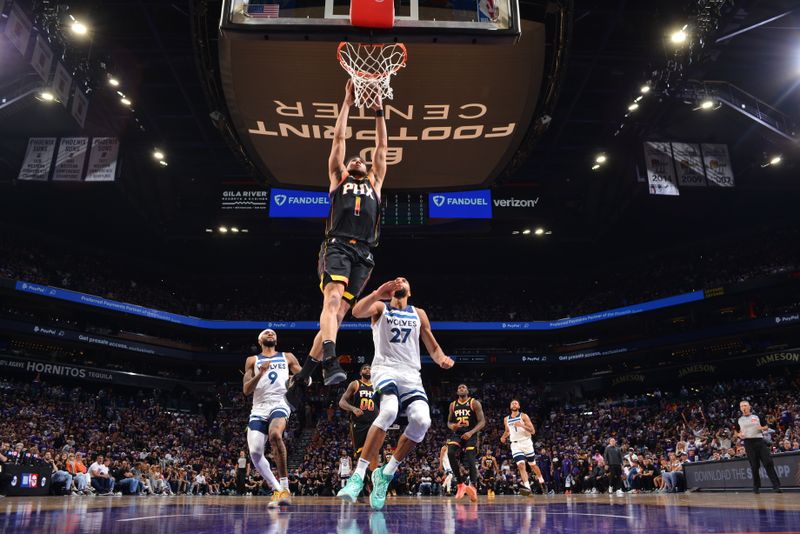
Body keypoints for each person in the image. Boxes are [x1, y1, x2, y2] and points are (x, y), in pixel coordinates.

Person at [286, 79, 390, 408]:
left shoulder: (375, 181)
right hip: (338, 246)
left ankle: (303, 377)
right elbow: (339, 139)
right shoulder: (338, 177)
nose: (357, 159)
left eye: (361, 159)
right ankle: (330, 362)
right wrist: (347, 102)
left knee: (339, 315)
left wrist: (377, 110)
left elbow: (382, 148)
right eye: (353, 159)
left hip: (364, 254)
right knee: (330, 304)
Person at [336, 277, 455, 509]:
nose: (400, 280)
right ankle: (358, 475)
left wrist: (441, 359)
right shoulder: (381, 307)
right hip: (385, 369)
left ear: (410, 290)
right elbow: (357, 311)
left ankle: (386, 472)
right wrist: (377, 292)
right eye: (396, 279)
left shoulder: (418, 313)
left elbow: (431, 344)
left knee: (422, 420)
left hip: (411, 374)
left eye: (404, 280)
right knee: (389, 410)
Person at [243, 328, 303, 506]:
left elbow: (305, 378)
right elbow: (246, 390)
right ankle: (277, 489)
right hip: (259, 408)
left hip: (279, 402)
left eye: (273, 333)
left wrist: (299, 380)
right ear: (259, 340)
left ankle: (285, 487)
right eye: (266, 333)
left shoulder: (287, 356)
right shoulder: (252, 360)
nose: (271, 334)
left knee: (275, 435)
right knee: (254, 452)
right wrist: (260, 373)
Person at [447, 384, 486, 502]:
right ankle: (460, 484)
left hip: (471, 434)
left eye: (463, 387)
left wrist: (471, 432)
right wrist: (452, 426)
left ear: (468, 391)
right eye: (459, 388)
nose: (461, 388)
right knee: (450, 452)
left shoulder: (474, 403)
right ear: (457, 391)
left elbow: (482, 421)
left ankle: (473, 486)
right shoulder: (453, 405)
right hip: (458, 434)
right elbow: (448, 422)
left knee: (470, 458)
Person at [735, 400, 782, 494]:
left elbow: (766, 426)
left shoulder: (757, 416)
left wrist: (761, 428)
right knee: (754, 466)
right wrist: (739, 434)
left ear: (749, 407)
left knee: (768, 462)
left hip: (759, 441)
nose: (743, 407)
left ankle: (776, 486)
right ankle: (756, 486)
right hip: (748, 443)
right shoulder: (738, 419)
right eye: (741, 406)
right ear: (740, 408)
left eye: (745, 405)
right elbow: (736, 432)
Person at [500, 399, 536, 497]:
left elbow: (533, 431)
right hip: (515, 444)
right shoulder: (506, 419)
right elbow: (508, 431)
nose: (514, 404)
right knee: (521, 465)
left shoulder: (523, 416)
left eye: (516, 403)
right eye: (512, 403)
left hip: (526, 442)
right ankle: (528, 488)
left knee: (532, 464)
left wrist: (522, 425)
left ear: (519, 406)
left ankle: (539, 479)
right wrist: (503, 437)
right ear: (510, 406)